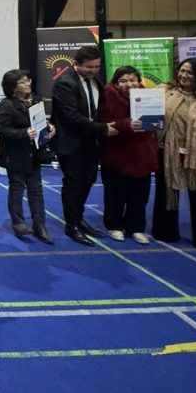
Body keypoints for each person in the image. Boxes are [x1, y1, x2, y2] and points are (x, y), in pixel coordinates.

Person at [50, 44, 118, 246]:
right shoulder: (65, 83)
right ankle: (71, 225)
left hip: (90, 141)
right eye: (89, 67)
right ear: (76, 63)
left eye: (96, 67)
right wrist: (103, 128)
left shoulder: (94, 80)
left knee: (88, 180)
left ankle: (79, 219)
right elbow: (71, 118)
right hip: (70, 142)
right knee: (74, 183)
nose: (93, 70)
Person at [152, 57, 196, 248]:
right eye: (181, 71)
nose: (184, 75)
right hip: (167, 151)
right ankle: (165, 231)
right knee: (166, 192)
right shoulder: (164, 91)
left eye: (189, 72)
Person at [100, 65, 158, 245]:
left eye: (133, 80)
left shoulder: (149, 97)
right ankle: (114, 225)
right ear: (116, 83)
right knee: (115, 194)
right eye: (123, 81)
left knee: (140, 196)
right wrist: (126, 124)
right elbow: (102, 123)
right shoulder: (106, 97)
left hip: (143, 155)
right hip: (117, 154)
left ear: (139, 82)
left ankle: (136, 227)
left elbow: (155, 123)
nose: (129, 84)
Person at [0, 70, 55, 244]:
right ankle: (18, 223)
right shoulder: (6, 105)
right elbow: (0, 130)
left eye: (28, 80)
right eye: (22, 82)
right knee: (17, 188)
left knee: (36, 189)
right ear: (13, 87)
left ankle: (40, 224)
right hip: (15, 154)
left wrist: (49, 126)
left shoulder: (35, 100)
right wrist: (23, 133)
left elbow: (40, 121)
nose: (28, 83)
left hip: (34, 152)